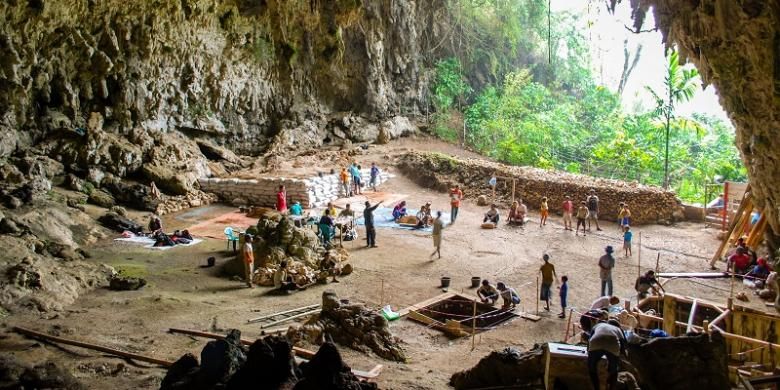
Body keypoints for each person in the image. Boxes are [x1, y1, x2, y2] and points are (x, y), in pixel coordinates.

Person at [587, 320, 626, 390]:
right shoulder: (618, 329)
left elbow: (589, 339)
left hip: (596, 342)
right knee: (614, 370)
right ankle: (612, 387)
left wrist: (589, 351)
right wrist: (621, 354)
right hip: (613, 344)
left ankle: (596, 387)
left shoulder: (598, 325)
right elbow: (623, 344)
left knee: (591, 367)